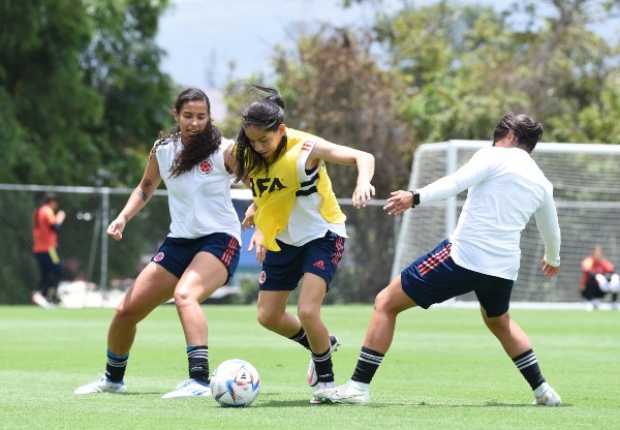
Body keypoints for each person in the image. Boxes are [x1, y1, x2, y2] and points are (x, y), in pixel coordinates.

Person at [316, 113, 563, 406]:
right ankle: (543, 391)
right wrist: (553, 257)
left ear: (510, 137)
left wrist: (414, 196)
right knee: (499, 321)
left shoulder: (495, 156)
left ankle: (357, 387)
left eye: (498, 136)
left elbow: (456, 182)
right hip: (503, 268)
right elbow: (551, 228)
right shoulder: (541, 182)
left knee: (385, 303)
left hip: (462, 256)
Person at [75, 88, 242, 398]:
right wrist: (123, 217)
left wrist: (260, 210)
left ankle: (199, 382)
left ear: (209, 118)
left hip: (220, 239)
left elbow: (257, 175)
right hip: (179, 242)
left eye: (201, 117)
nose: (194, 122)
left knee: (185, 295)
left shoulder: (224, 150)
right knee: (126, 310)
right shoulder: (163, 149)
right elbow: (146, 186)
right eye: (188, 116)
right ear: (176, 115)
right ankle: (113, 380)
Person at [234, 86, 375, 404]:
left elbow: (362, 156)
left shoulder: (306, 148)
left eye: (264, 141)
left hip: (323, 236)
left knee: (308, 310)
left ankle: (326, 384)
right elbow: (268, 191)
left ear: (280, 130)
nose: (258, 147)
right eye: (252, 141)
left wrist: (363, 181)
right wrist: (257, 218)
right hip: (284, 240)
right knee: (268, 316)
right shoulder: (249, 153)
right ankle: (323, 342)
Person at [32, 193, 66, 308]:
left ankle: (42, 295)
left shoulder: (38, 211)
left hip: (38, 248)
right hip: (49, 248)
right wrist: (60, 218)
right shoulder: (47, 211)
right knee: (58, 269)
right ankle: (48, 295)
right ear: (52, 202)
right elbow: (55, 228)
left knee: (45, 273)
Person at [580, 245, 619, 310]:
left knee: (615, 278)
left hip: (601, 289)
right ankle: (591, 301)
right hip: (587, 290)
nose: (598, 254)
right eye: (596, 253)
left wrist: (609, 279)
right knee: (592, 278)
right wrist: (598, 276)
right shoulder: (589, 261)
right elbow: (588, 271)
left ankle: (614, 303)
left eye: (599, 253)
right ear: (593, 253)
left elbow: (611, 271)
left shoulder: (603, 262)